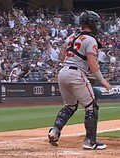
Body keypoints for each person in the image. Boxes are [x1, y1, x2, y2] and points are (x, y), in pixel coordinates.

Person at [48, 11, 111, 150]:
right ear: (92, 24)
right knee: (91, 107)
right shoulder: (91, 40)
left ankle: (55, 131)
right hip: (76, 74)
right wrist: (103, 80)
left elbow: (61, 57)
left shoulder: (71, 37)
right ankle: (90, 142)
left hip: (63, 72)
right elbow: (93, 63)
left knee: (70, 105)